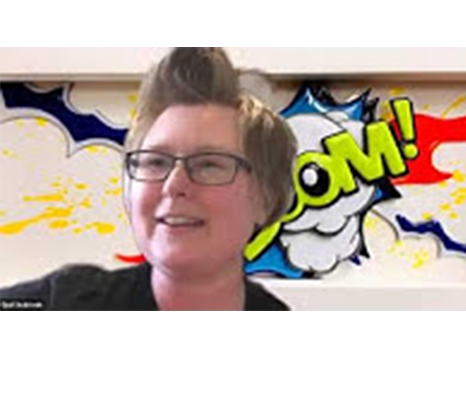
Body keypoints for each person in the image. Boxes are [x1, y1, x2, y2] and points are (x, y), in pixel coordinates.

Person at [0, 48, 298, 311]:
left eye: (209, 164)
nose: (173, 185)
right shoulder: (64, 303)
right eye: (156, 162)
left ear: (266, 197)